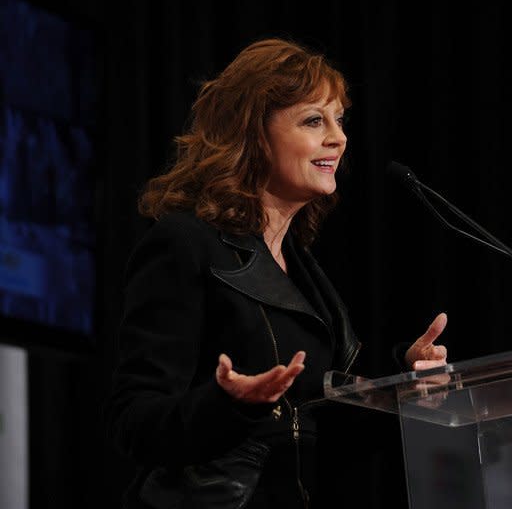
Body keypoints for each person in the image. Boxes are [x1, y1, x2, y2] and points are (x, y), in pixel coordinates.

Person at [103, 37, 448, 509]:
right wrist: (229, 405)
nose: (339, 137)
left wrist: (406, 388)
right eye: (313, 120)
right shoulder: (184, 245)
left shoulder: (302, 268)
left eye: (339, 120)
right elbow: (134, 424)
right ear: (253, 134)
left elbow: (320, 429)